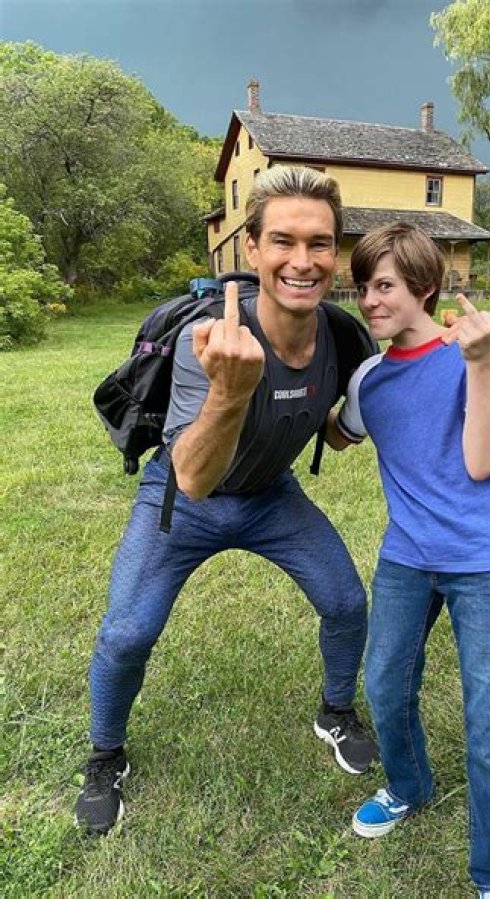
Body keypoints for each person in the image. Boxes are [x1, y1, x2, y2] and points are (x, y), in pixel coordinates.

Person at [75, 166, 378, 836]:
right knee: (127, 633)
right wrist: (232, 390)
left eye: (320, 243)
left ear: (337, 252)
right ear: (253, 248)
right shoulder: (208, 340)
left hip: (271, 495)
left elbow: (340, 424)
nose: (303, 260)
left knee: (346, 602)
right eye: (284, 241)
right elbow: (192, 477)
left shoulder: (341, 335)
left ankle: (335, 711)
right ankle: (105, 755)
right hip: (183, 501)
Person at [326, 223, 490, 898]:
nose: (369, 300)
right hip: (407, 557)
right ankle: (409, 786)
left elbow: (481, 462)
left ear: (423, 287)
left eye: (384, 285)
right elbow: (338, 431)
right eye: (362, 286)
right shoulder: (368, 381)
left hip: (485, 559)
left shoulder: (480, 351)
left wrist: (479, 362)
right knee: (384, 685)